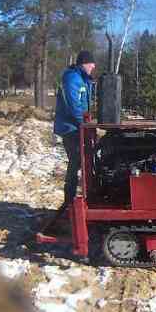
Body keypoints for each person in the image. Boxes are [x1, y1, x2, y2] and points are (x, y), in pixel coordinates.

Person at [53, 51, 95, 218]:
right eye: (91, 63)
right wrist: (85, 124)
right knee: (76, 161)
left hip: (78, 126)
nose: (94, 66)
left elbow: (84, 106)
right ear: (83, 63)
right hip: (71, 128)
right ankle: (69, 201)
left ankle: (80, 199)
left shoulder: (82, 79)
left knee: (83, 160)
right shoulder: (72, 78)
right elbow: (74, 107)